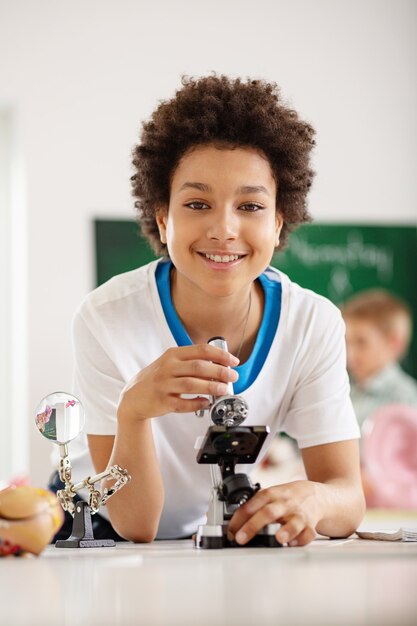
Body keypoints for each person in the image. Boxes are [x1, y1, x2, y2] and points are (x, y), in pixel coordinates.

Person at [50, 75, 364, 546]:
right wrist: (133, 413)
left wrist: (313, 500)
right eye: (197, 203)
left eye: (251, 205)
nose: (224, 228)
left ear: (279, 222)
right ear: (163, 217)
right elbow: (135, 526)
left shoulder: (313, 322)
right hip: (98, 521)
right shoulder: (104, 317)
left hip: (214, 536)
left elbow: (347, 497)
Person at [342, 289, 417, 428]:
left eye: (361, 342)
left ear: (393, 343)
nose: (349, 354)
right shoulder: (344, 391)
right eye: (346, 342)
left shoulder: (408, 400)